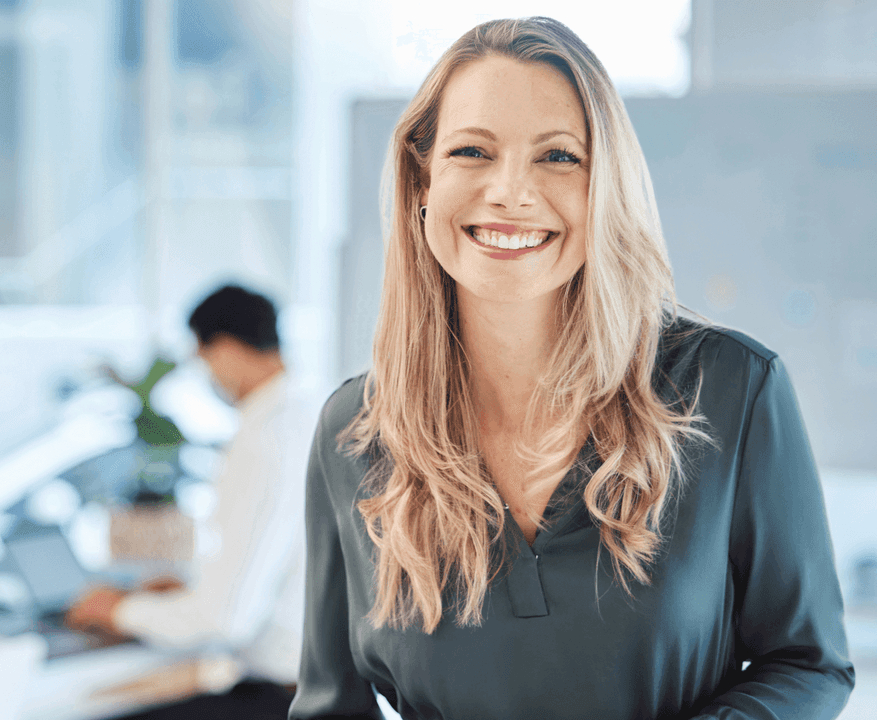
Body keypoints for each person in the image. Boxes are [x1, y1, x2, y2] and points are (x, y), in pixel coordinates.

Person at [291, 17, 854, 720]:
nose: (511, 192)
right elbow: (330, 705)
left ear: (605, 189)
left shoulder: (732, 389)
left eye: (558, 157)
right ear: (420, 183)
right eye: (472, 150)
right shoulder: (353, 432)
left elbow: (808, 663)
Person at [67, 285, 314, 719]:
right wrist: (191, 588)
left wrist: (118, 610)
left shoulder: (263, 440)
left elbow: (227, 619)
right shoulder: (312, 413)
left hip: (276, 696)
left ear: (224, 349)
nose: (209, 377)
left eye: (204, 360)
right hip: (314, 687)